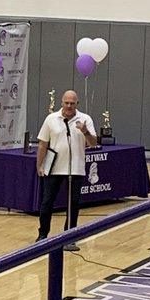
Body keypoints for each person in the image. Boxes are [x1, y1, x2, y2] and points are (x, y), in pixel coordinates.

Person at [36, 89, 97, 248]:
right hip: (54, 167)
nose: (69, 106)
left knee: (74, 203)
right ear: (61, 102)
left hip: (75, 169)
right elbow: (43, 144)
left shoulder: (85, 119)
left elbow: (93, 143)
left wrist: (85, 131)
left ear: (77, 103)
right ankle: (43, 234)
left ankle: (69, 236)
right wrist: (39, 165)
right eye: (66, 102)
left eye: (72, 103)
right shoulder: (51, 119)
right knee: (47, 201)